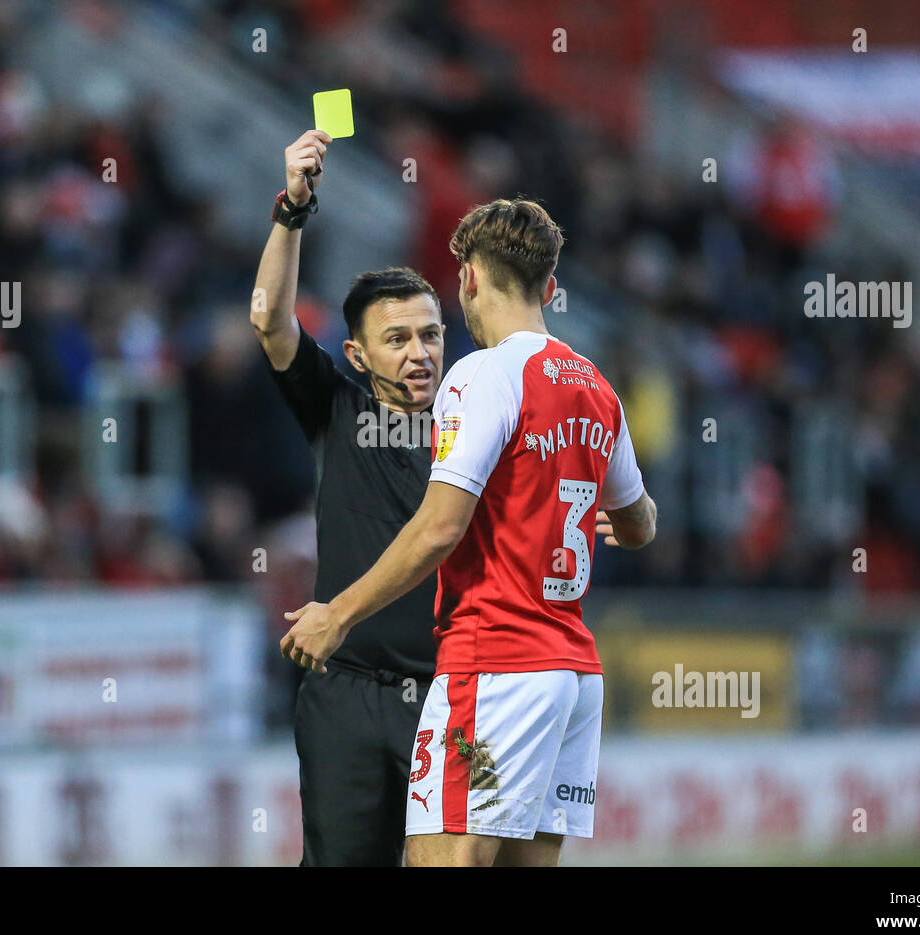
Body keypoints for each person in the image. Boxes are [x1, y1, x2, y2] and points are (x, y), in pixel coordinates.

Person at [280, 198, 657, 867]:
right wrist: (615, 530)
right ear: (550, 289)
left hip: (495, 662)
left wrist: (336, 613)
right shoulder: (597, 387)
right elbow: (640, 518)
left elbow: (438, 530)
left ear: (469, 281)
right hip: (572, 672)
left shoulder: (481, 375)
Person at [251, 129, 446, 865]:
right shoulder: (338, 410)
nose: (419, 352)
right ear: (359, 355)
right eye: (396, 339)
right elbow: (270, 321)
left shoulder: (479, 425)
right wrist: (292, 210)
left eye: (429, 334)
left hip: (452, 695)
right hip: (348, 696)